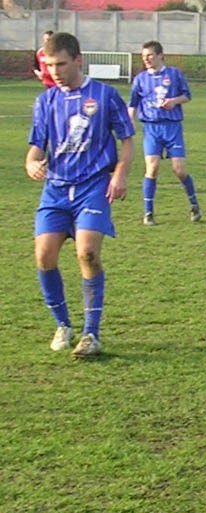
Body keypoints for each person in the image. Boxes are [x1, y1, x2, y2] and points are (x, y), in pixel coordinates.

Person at [25, 32, 134, 358]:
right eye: (49, 65)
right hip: (56, 189)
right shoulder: (45, 101)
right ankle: (63, 324)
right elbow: (35, 146)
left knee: (87, 253)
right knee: (44, 256)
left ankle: (91, 333)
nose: (54, 71)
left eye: (60, 64)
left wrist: (120, 175)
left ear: (77, 60)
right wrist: (31, 163)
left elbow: (126, 139)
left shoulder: (105, 95)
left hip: (92, 187)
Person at [128, 40, 202, 226]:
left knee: (179, 170)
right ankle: (148, 213)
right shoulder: (140, 79)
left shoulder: (174, 74)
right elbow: (133, 103)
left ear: (161, 55)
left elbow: (187, 96)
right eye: (144, 56)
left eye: (150, 55)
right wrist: (129, 122)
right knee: (152, 169)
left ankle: (194, 205)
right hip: (151, 128)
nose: (146, 59)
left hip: (172, 127)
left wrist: (174, 101)